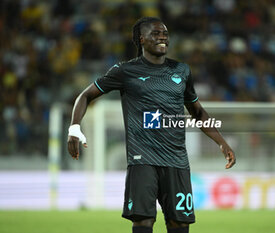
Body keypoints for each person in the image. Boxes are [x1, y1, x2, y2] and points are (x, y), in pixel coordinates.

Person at [67, 17, 236, 233]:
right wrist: (74, 128)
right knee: (143, 222)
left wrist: (221, 142)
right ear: (142, 39)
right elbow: (86, 95)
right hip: (142, 160)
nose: (163, 36)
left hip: (176, 161)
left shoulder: (181, 71)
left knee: (180, 224)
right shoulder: (125, 71)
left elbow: (198, 111)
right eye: (156, 33)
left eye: (165, 33)